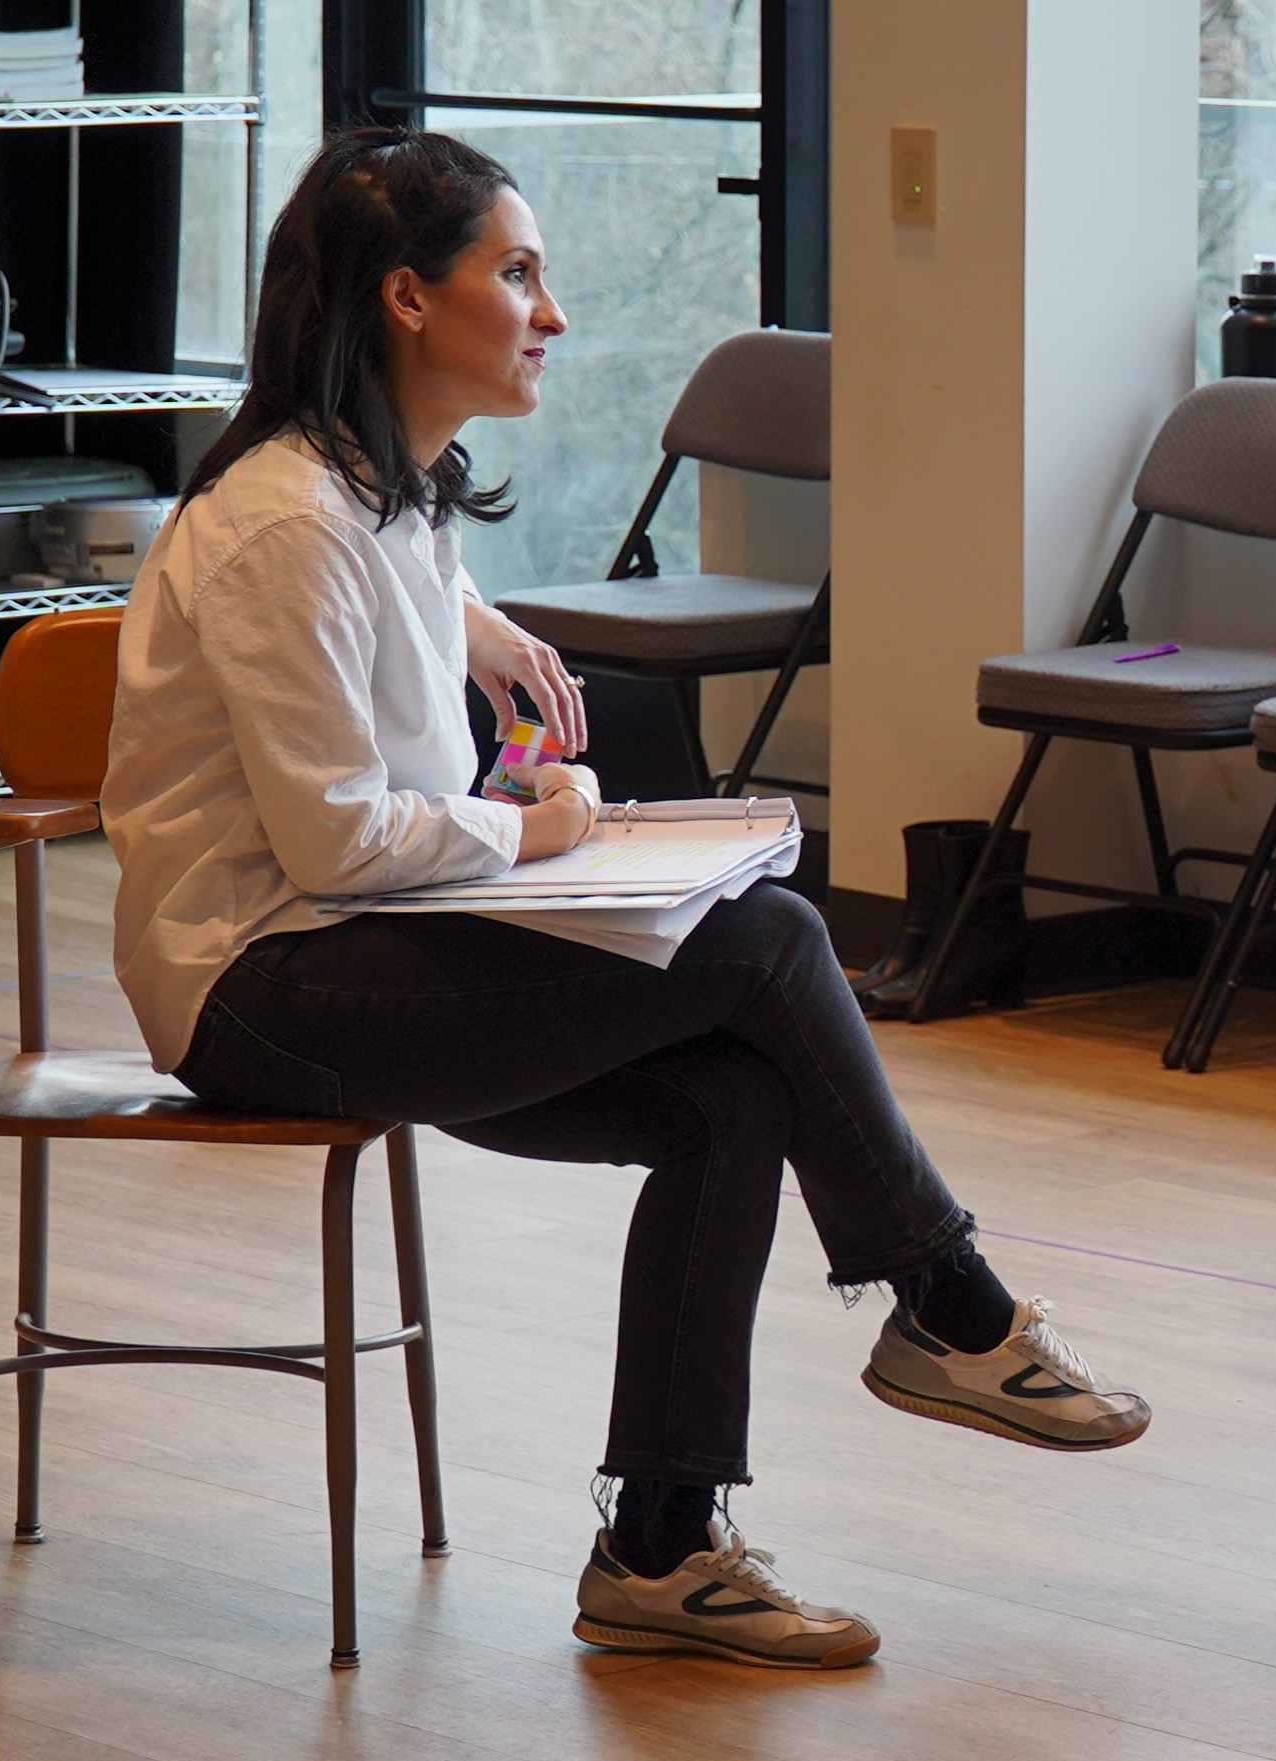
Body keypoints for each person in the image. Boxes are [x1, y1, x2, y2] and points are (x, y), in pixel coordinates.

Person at [101, 127, 1149, 1673]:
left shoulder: (388, 490)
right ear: (405, 298)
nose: (554, 311)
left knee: (734, 1093)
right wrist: (539, 830)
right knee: (778, 937)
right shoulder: (285, 523)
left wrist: (484, 628)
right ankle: (949, 1297)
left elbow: (395, 593)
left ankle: (662, 1546)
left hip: (371, 951)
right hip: (266, 988)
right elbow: (332, 844)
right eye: (516, 275)